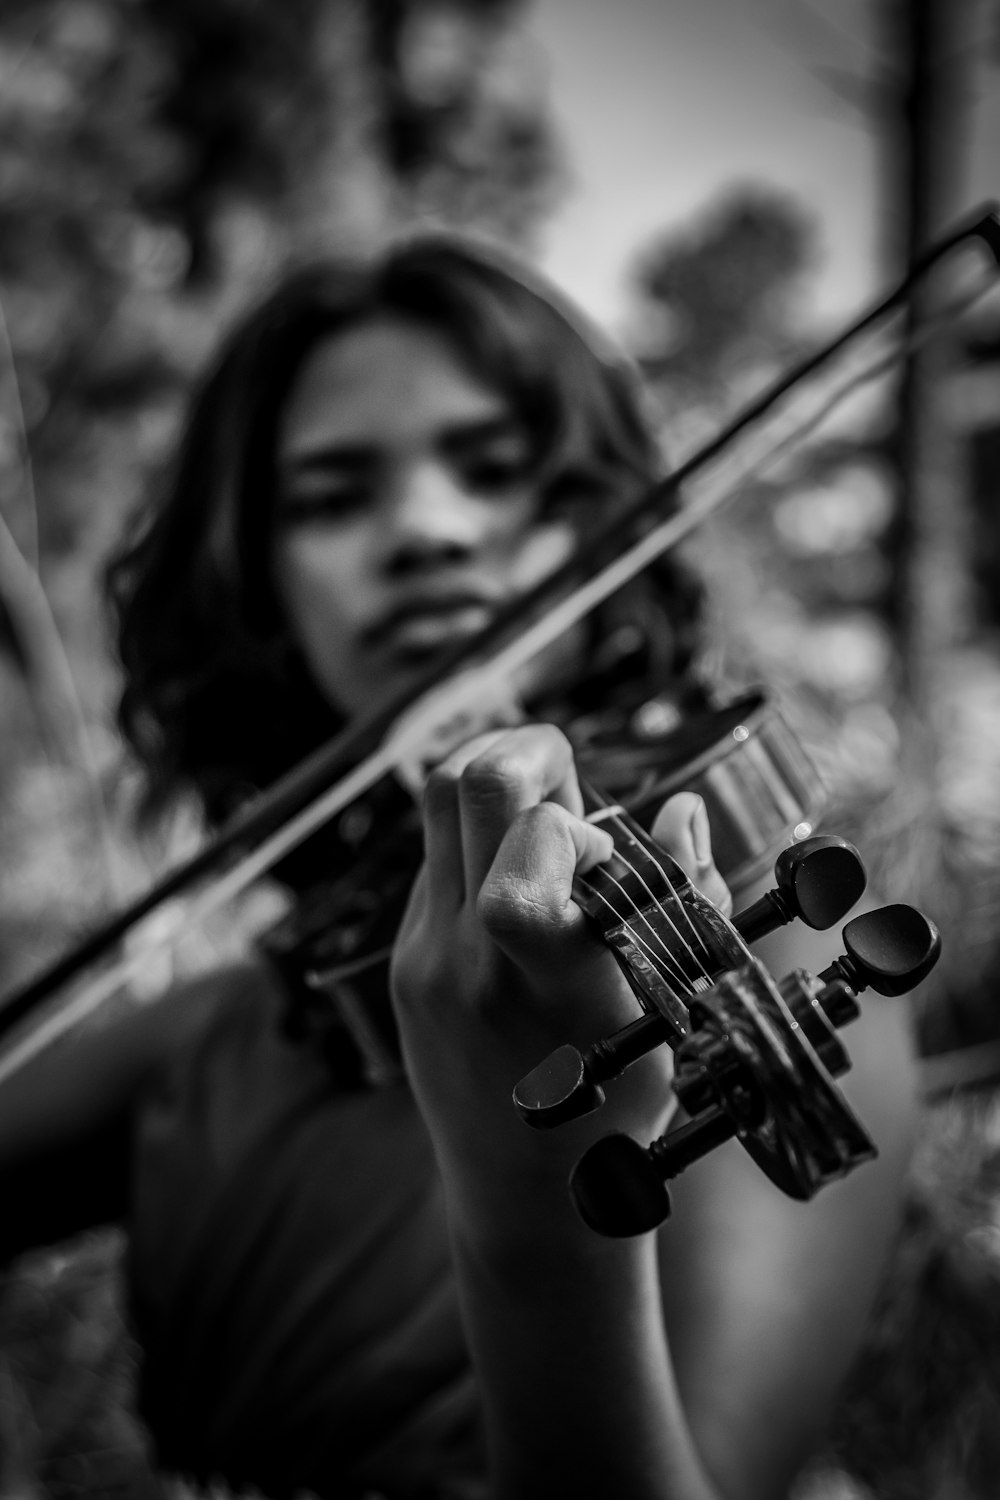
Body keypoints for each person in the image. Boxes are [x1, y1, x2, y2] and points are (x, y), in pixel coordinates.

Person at [0, 231, 920, 1500]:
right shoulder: (219, 1035)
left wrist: (532, 1193)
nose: (428, 531)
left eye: (495, 472)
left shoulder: (758, 951)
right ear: (257, 592)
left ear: (610, 537)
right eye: (329, 499)